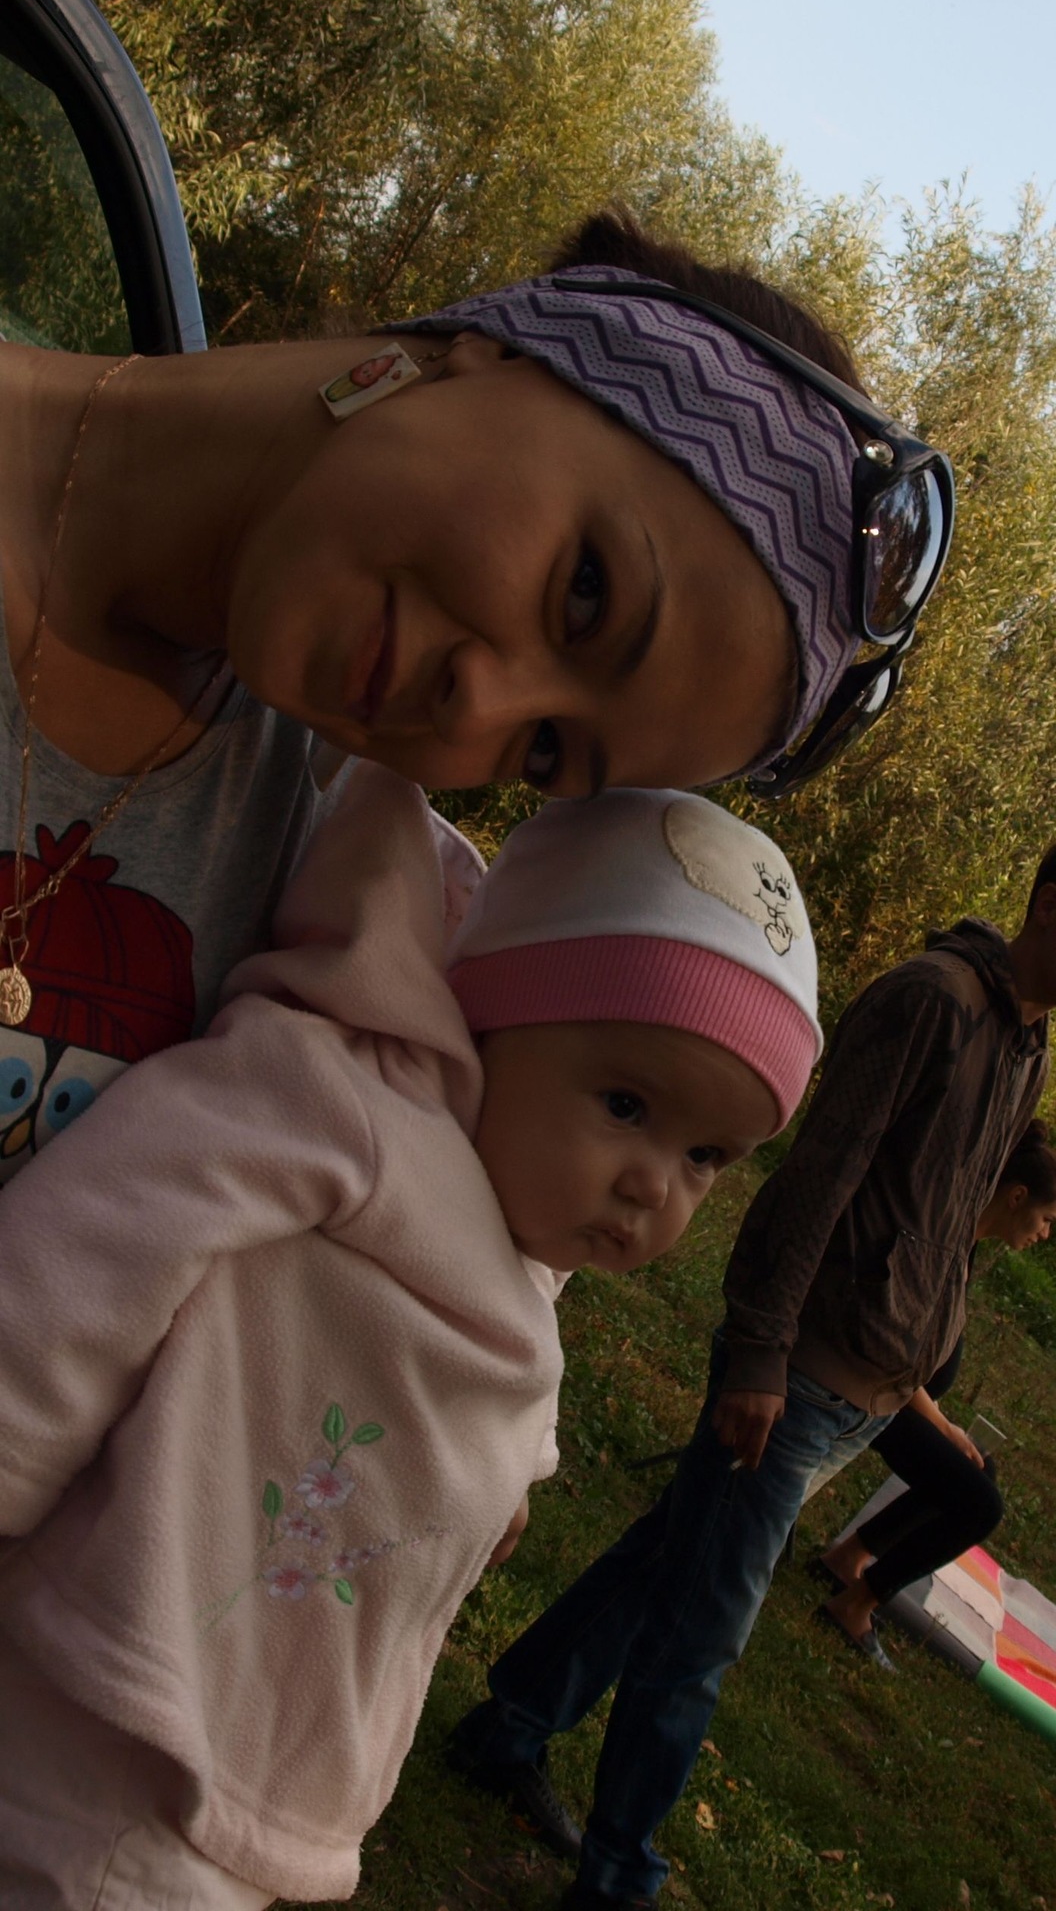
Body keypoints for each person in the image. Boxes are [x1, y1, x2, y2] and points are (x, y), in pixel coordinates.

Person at [0, 770, 822, 1908]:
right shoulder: (342, 1104)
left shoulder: (522, 1213)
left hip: (255, 1742)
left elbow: (504, 1341)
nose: (653, 1185)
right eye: (628, 1106)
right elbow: (103, 1237)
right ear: (493, 1018)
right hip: (124, 1717)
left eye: (705, 1158)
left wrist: (516, 1469)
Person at [0, 207, 952, 1177]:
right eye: (586, 594)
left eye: (544, 749)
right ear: (502, 350)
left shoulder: (318, 895)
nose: (477, 709)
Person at [449, 842, 1055, 1911]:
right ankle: (619, 1877)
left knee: (666, 1564)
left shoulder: (1027, 1044)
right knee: (699, 1641)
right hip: (803, 1375)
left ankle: (507, 1726)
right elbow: (818, 1176)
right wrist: (762, 1350)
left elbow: (950, 1212)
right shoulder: (930, 1000)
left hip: (870, 1391)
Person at [814, 1120, 1056, 1647]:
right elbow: (897, 1356)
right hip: (871, 1390)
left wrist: (945, 1428)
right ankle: (857, 1604)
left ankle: (849, 1558)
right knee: (980, 1504)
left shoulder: (967, 1247)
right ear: (1017, 1196)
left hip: (893, 1397)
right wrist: (943, 1426)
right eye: (1046, 1219)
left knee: (978, 1468)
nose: (1044, 1234)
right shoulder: (945, 1242)